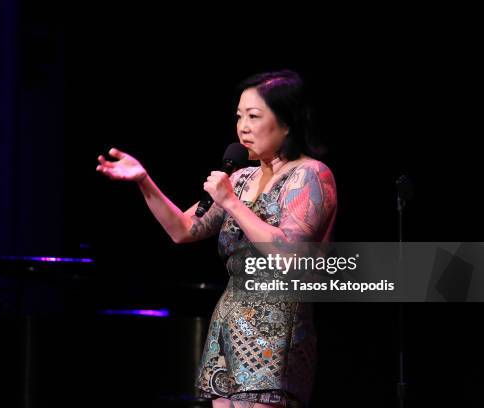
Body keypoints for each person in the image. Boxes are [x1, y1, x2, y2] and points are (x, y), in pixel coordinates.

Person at [96, 70, 337, 408]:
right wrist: (143, 180)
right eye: (239, 117)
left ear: (287, 123)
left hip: (276, 329)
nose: (243, 127)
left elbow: (289, 255)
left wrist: (231, 203)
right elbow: (183, 229)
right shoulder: (239, 180)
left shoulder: (310, 174)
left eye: (254, 116)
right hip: (228, 324)